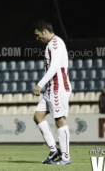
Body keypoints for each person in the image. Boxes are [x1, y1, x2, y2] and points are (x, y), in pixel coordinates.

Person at [32, 20, 72, 165]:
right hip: (51, 88)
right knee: (38, 116)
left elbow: (55, 65)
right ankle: (54, 150)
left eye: (38, 35)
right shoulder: (51, 44)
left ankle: (66, 157)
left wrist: (40, 84)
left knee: (60, 120)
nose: (38, 38)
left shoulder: (55, 43)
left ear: (44, 31)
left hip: (58, 86)